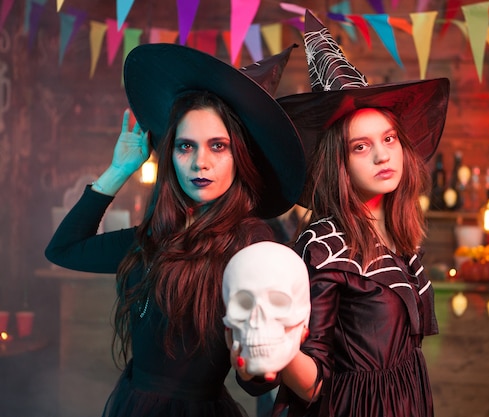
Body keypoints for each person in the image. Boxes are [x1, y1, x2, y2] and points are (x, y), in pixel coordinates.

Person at [45, 43, 305, 417]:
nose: (201, 162)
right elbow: (64, 249)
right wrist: (119, 169)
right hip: (132, 404)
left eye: (218, 146)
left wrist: (258, 355)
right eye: (186, 146)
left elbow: (256, 380)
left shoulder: (251, 242)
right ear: (171, 154)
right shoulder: (154, 235)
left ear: (240, 157)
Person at [231, 10, 450, 417]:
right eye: (361, 146)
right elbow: (314, 383)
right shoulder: (324, 247)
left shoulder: (398, 232)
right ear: (340, 163)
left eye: (388, 138)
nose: (383, 154)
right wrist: (274, 349)